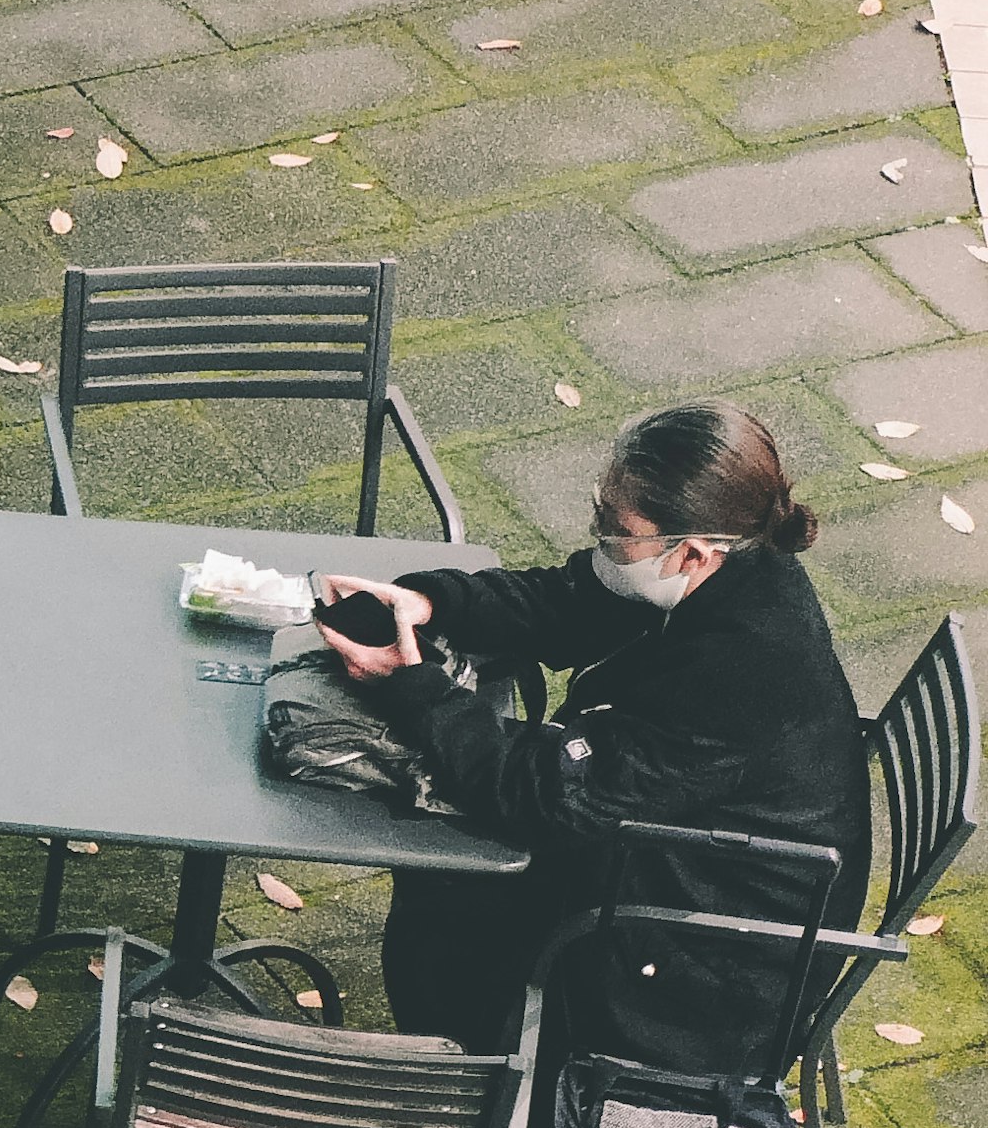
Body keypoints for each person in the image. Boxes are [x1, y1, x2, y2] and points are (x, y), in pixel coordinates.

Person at [311, 401, 866, 1069]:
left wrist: (416, 685)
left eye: (617, 526)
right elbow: (570, 601)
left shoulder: (741, 671)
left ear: (690, 551)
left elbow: (551, 800)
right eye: (599, 507)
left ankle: (465, 1075)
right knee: (447, 827)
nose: (600, 532)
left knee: (449, 870)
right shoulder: (729, 564)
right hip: (684, 847)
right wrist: (432, 602)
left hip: (706, 952)